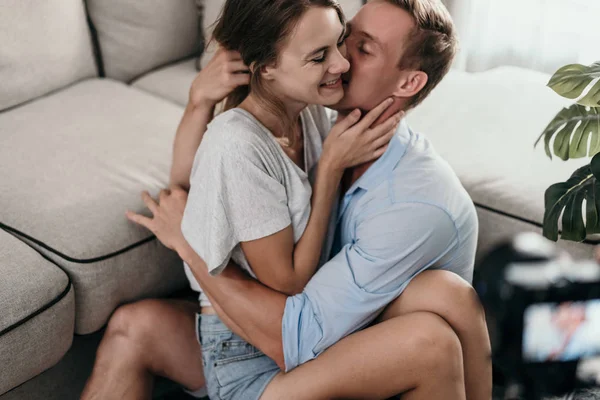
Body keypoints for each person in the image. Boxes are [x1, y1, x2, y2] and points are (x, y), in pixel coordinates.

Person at [82, 1, 492, 399]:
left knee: (447, 295)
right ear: (268, 68)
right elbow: (211, 188)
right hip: (248, 351)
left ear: (408, 83)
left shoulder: (314, 118)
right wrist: (199, 103)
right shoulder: (257, 137)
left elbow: (205, 191)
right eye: (337, 45)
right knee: (433, 339)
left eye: (356, 46)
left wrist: (189, 243)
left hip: (290, 335)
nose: (343, 62)